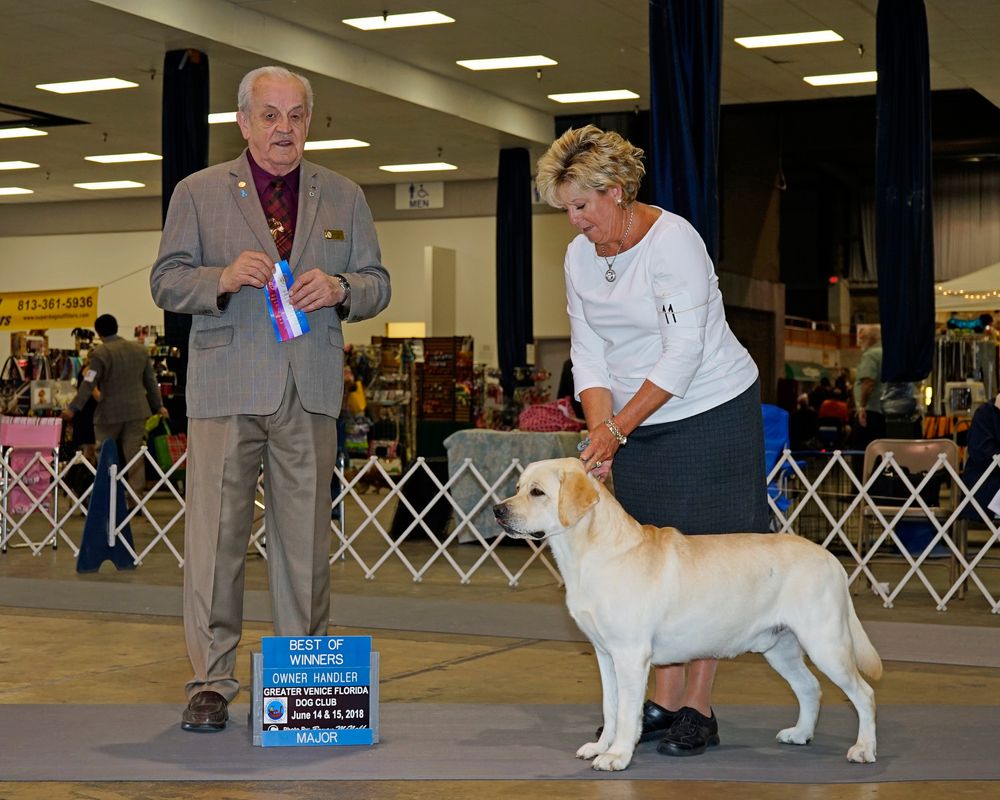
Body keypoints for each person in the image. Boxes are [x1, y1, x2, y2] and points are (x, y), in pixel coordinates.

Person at [150, 65, 391, 733]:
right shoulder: (198, 192)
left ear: (310, 122)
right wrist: (220, 278)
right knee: (215, 541)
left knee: (305, 545)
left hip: (310, 389)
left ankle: (299, 678)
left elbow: (378, 283)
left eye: (296, 115)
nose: (284, 127)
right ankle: (209, 680)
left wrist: (344, 288)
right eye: (270, 115)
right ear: (243, 122)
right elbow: (166, 281)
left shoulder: (343, 194)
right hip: (226, 388)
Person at [535, 125, 769, 758]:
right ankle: (659, 703)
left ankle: (698, 706)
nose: (574, 222)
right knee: (650, 565)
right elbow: (588, 353)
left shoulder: (674, 243)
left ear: (615, 191)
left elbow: (683, 352)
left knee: (707, 561)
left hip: (710, 407)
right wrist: (598, 431)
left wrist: (616, 429)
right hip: (638, 418)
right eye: (567, 210)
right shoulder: (580, 257)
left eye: (582, 207)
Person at [62, 314, 167, 498]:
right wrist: (158, 406)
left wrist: (73, 408)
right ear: (117, 327)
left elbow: (89, 383)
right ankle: (136, 499)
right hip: (137, 410)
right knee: (135, 456)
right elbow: (151, 382)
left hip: (109, 413)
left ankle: (108, 495)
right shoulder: (139, 350)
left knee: (105, 454)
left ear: (98, 332)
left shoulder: (100, 353)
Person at [852, 324, 885, 449]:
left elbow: (868, 383)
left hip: (870, 411)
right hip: (884, 411)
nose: (860, 343)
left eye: (862, 339)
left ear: (870, 339)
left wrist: (862, 407)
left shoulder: (870, 355)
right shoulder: (887, 352)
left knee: (863, 450)